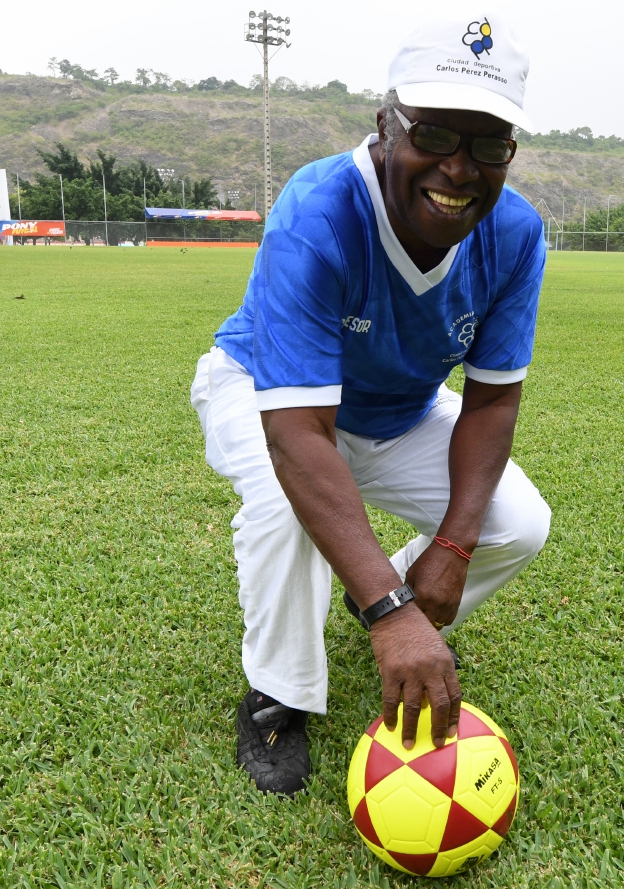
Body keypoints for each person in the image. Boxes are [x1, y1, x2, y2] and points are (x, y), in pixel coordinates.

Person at [190, 13, 551, 797]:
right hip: (263, 392)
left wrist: (449, 552)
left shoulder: (516, 234)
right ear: (387, 124)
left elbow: (491, 401)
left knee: (518, 522)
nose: (459, 168)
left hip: (399, 407)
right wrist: (394, 614)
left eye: (487, 145)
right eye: (435, 134)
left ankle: (384, 599)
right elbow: (294, 434)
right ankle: (278, 696)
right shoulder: (319, 208)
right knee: (290, 505)